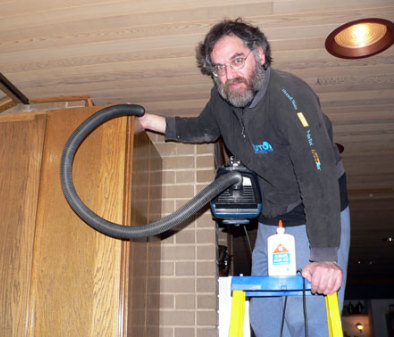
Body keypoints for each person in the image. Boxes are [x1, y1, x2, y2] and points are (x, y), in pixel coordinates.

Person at [138, 18, 350, 337]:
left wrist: (324, 256)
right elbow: (203, 128)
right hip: (272, 221)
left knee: (306, 319)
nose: (228, 75)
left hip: (314, 216)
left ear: (261, 55)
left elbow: (316, 173)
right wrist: (148, 121)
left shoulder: (289, 96)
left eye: (237, 61)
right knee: (264, 319)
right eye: (219, 68)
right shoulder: (222, 100)